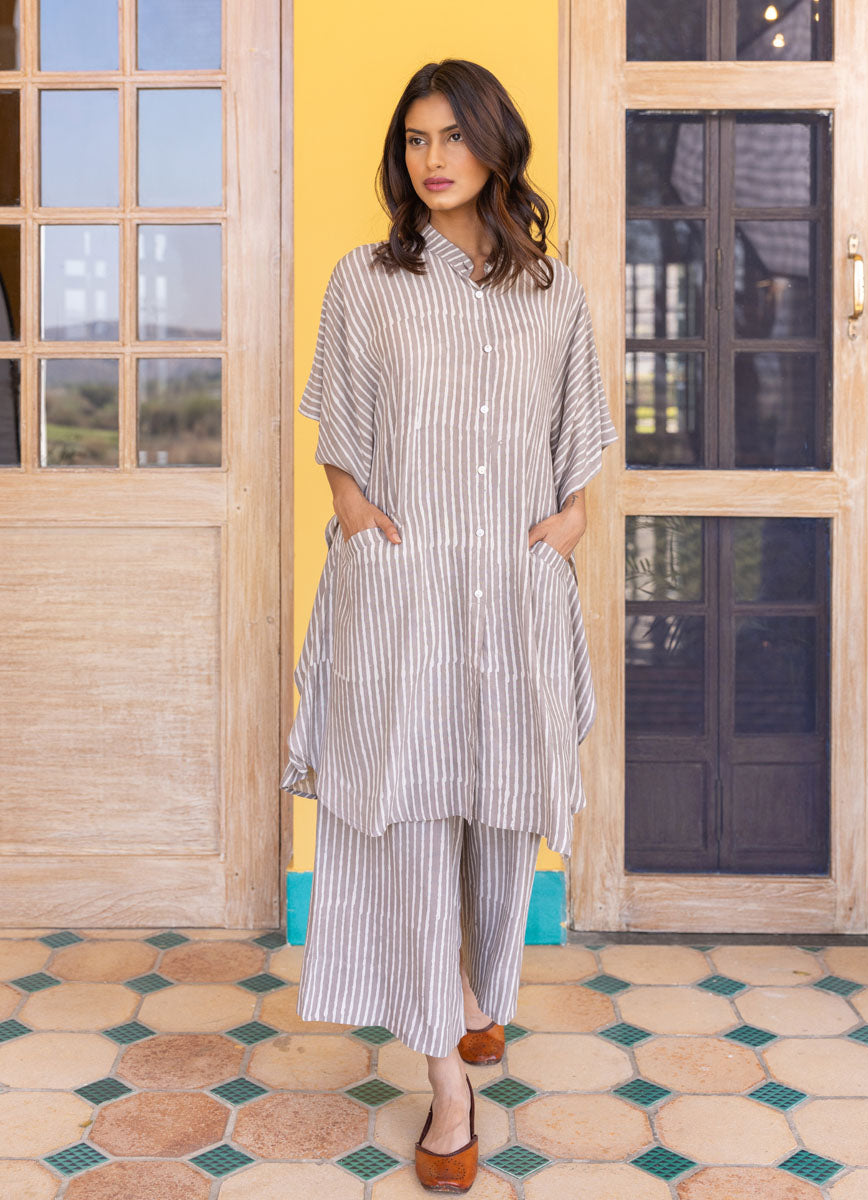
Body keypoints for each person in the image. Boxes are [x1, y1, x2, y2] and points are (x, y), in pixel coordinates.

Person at [281, 58, 617, 1192]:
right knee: (413, 825)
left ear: (493, 145)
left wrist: (569, 526)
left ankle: (475, 995)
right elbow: (339, 434)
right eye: (416, 139)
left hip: (510, 597)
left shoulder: (552, 293)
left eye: (453, 137)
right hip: (404, 596)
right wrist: (358, 520)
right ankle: (448, 1088)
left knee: (499, 818)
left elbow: (578, 437)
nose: (433, 158)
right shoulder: (365, 280)